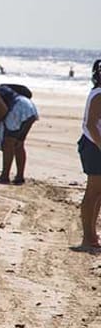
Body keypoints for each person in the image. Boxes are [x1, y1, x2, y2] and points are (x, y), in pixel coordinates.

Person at [0, 83, 38, 184]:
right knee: (18, 144)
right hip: (29, 107)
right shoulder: (1, 90)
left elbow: (3, 111)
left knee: (8, 144)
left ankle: (4, 176)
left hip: (18, 109)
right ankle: (19, 177)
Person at [77, 60, 101, 251]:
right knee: (93, 192)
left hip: (95, 145)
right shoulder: (99, 94)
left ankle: (92, 236)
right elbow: (91, 124)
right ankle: (87, 238)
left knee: (98, 193)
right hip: (94, 146)